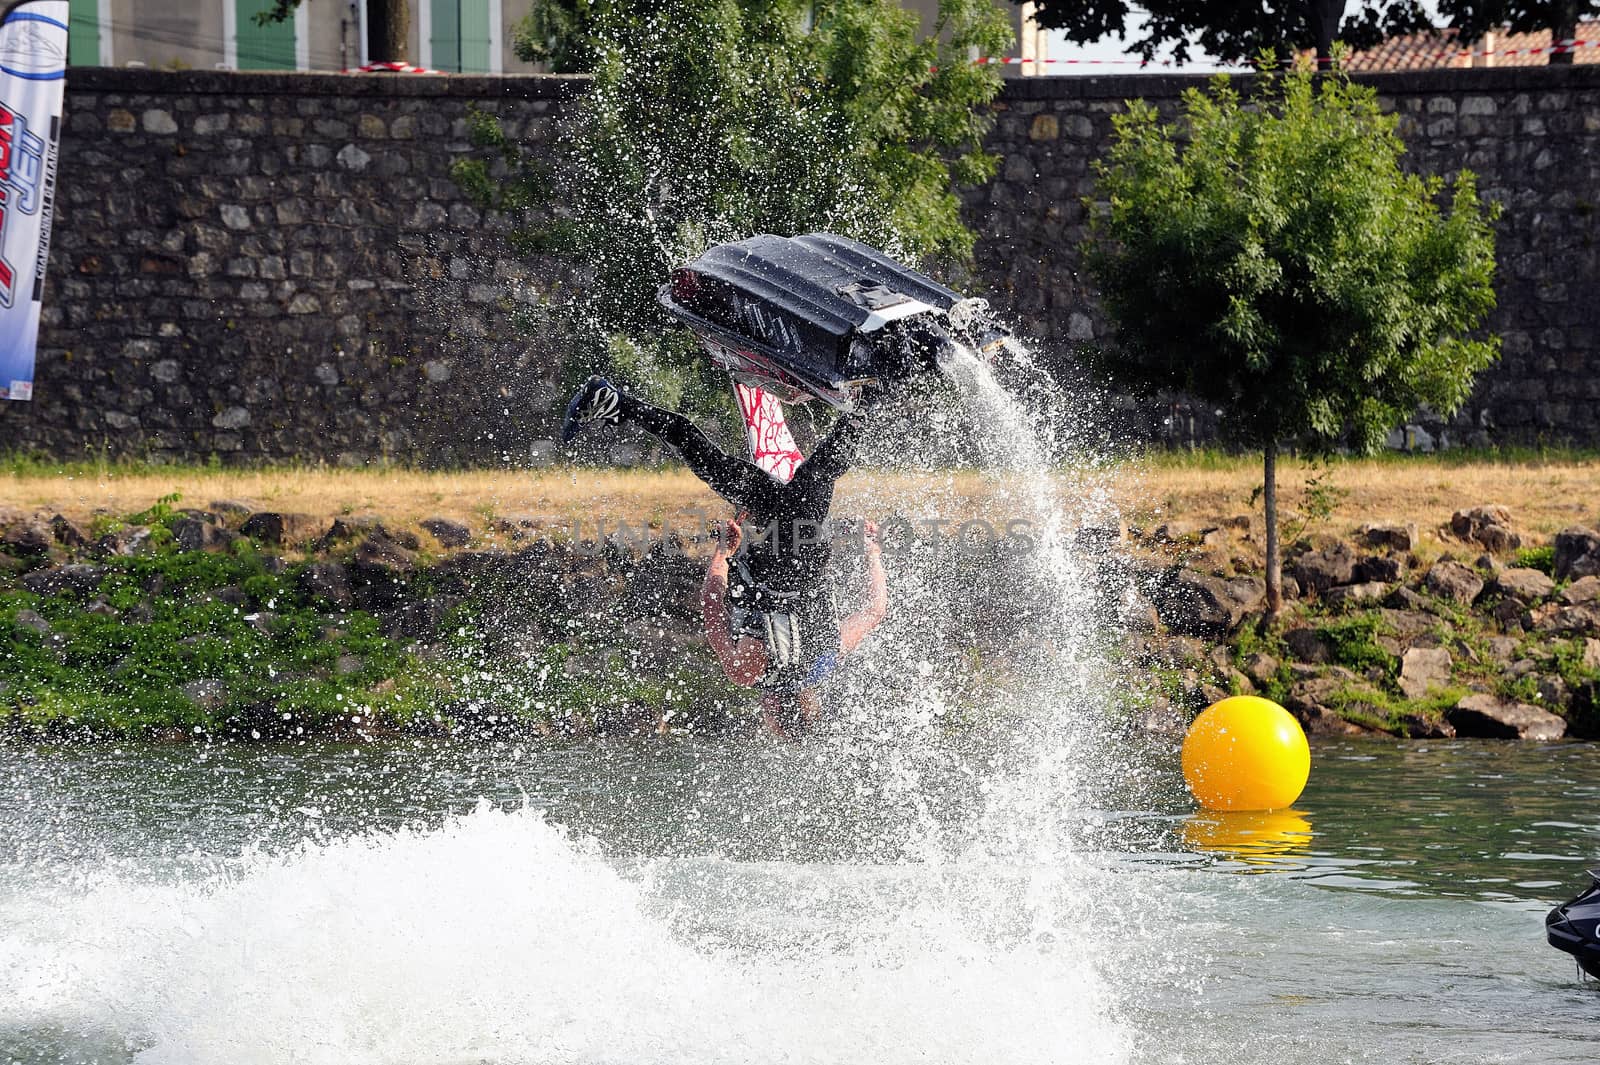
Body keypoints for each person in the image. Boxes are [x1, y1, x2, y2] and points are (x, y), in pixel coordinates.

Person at [561, 375, 889, 735]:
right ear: (777, 710)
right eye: (769, 722)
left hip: (805, 542)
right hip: (782, 540)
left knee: (817, 469)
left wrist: (871, 547)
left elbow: (875, 611)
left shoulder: (825, 662)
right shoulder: (749, 671)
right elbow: (711, 603)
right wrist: (722, 553)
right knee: (702, 454)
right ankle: (612, 401)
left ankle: (871, 400)